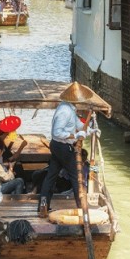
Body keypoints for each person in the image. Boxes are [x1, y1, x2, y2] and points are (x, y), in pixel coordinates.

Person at [37, 82, 93, 218]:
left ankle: (43, 205)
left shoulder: (70, 108)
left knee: (51, 175)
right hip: (61, 146)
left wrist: (89, 129)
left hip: (59, 146)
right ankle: (82, 207)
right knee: (75, 176)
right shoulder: (64, 111)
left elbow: (78, 124)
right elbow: (57, 132)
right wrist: (75, 135)